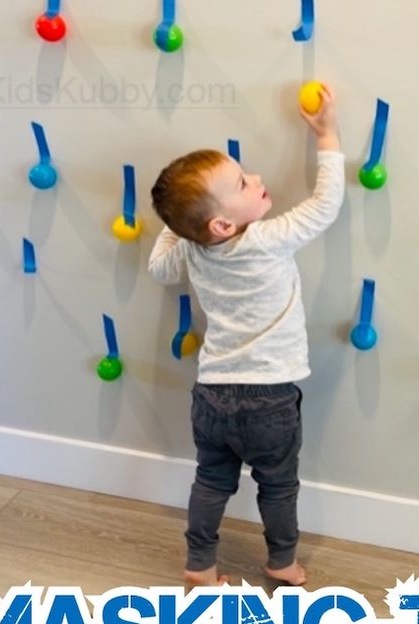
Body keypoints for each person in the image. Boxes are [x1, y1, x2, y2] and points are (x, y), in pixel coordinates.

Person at [148, 85, 344, 587]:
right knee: (277, 486)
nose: (255, 178)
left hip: (212, 395)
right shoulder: (265, 240)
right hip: (271, 399)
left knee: (211, 481)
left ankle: (200, 564)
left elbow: (159, 269)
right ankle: (282, 561)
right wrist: (327, 134)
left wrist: (178, 225)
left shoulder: (194, 249)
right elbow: (325, 206)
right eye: (241, 182)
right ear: (222, 222)